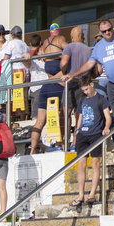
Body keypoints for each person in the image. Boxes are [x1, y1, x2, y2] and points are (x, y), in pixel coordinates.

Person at [64, 19, 114, 152]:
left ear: (112, 28)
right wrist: (73, 74)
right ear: (100, 33)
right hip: (112, 84)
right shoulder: (99, 46)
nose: (108, 32)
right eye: (104, 31)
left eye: (109, 29)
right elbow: (90, 64)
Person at [69, 76, 112, 208]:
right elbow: (80, 117)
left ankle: (92, 193)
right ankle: (80, 194)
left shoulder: (101, 99)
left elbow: (108, 117)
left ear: (92, 85)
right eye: (83, 90)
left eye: (86, 89)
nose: (85, 92)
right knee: (81, 164)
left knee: (95, 163)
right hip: (83, 134)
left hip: (95, 134)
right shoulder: (82, 99)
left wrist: (106, 127)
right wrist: (77, 132)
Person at [28, 23, 67, 154]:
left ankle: (32, 149)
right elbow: (68, 55)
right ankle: (60, 143)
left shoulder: (45, 43)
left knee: (39, 121)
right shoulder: (60, 40)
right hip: (56, 85)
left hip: (46, 86)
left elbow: (37, 55)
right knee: (61, 115)